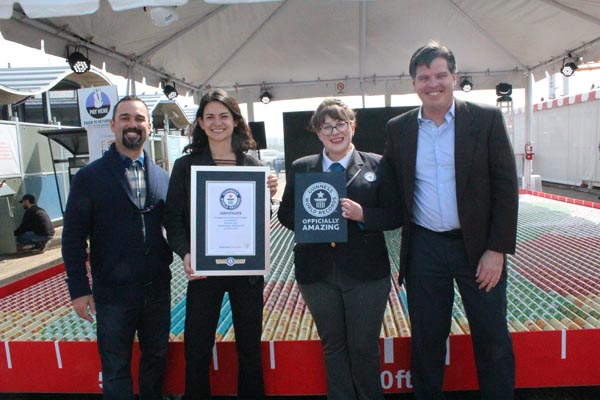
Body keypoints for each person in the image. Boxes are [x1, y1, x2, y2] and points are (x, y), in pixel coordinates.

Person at [374, 41, 519, 399]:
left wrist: (496, 249)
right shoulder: (399, 128)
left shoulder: (485, 119)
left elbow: (505, 188)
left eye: (440, 75)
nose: (432, 83)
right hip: (425, 249)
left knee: (491, 336)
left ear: (454, 77)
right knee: (426, 338)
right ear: (414, 84)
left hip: (479, 249)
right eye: (424, 77)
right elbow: (387, 185)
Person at [164, 88, 277, 399]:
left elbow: (260, 218)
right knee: (197, 349)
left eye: (224, 116)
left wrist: (267, 194)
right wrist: (185, 252)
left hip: (247, 271)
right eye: (209, 116)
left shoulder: (252, 164)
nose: (217, 122)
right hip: (203, 269)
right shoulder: (186, 166)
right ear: (200, 123)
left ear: (235, 121)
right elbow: (172, 218)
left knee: (250, 350)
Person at [278, 98, 393, 400]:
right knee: (333, 346)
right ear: (318, 133)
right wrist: (309, 217)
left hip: (366, 273)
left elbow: (395, 214)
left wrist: (363, 215)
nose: (334, 131)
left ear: (353, 125)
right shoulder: (301, 167)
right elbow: (285, 214)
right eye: (326, 126)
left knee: (364, 347)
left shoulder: (378, 164)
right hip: (317, 274)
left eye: (340, 123)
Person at [62, 96, 173, 400]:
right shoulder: (89, 177)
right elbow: (72, 238)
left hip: (157, 291)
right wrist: (79, 289)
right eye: (125, 118)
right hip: (113, 294)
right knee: (115, 369)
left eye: (139, 119)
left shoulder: (163, 178)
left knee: (155, 361)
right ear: (112, 125)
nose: (132, 125)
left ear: (149, 126)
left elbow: (178, 228)